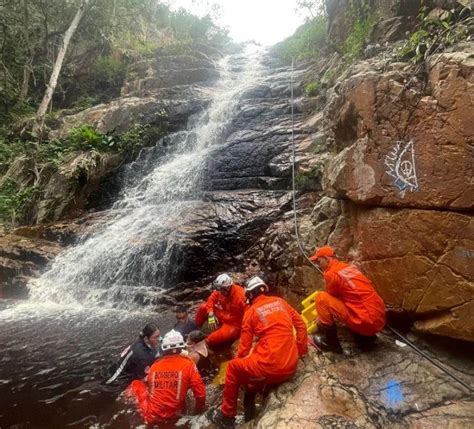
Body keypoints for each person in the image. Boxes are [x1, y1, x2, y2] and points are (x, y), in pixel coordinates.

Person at [214, 275, 308, 427]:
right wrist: (300, 352)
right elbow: (301, 326)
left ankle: (227, 416)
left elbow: (243, 349)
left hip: (270, 368)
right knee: (254, 368)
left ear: (250, 295)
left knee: (233, 368)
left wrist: (240, 365)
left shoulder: (250, 313)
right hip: (291, 365)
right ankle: (251, 401)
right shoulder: (280, 302)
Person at [309, 246, 386, 353]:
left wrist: (321, 319)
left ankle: (331, 344)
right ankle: (366, 337)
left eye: (319, 261)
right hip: (380, 317)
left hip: (366, 322)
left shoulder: (331, 274)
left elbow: (332, 296)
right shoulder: (349, 267)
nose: (318, 264)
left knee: (321, 298)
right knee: (356, 300)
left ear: (327, 259)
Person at [127, 329, 206, 426]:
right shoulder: (188, 365)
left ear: (164, 349)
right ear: (181, 348)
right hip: (175, 414)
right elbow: (201, 395)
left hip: (151, 416)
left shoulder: (155, 366)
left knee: (135, 384)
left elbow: (151, 387)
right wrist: (197, 412)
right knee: (184, 385)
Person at [194, 273, 246, 349]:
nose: (221, 292)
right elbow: (211, 299)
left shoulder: (240, 296)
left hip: (234, 325)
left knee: (212, 339)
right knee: (203, 307)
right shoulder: (221, 290)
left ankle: (203, 344)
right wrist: (211, 313)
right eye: (220, 289)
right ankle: (196, 327)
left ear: (229, 287)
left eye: (222, 290)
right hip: (223, 314)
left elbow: (249, 314)